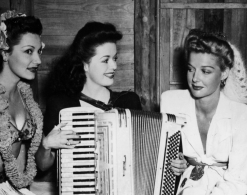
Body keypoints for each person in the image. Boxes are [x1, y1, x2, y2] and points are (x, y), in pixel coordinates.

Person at [33, 21, 142, 194]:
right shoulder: (61, 104)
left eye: (114, 59)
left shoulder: (129, 102)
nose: (113, 66)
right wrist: (46, 145)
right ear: (85, 64)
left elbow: (143, 156)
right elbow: (43, 165)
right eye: (105, 60)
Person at [160, 29, 247, 195]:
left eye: (205, 71)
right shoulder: (171, 103)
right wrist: (175, 162)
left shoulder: (241, 115)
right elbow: (163, 161)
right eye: (190, 69)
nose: (195, 78)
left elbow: (239, 182)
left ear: (224, 73)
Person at [0, 9, 45, 195]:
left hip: (9, 187)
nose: (38, 60)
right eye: (28, 52)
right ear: (5, 53)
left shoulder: (24, 95)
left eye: (39, 51)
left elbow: (20, 157)